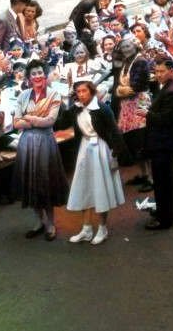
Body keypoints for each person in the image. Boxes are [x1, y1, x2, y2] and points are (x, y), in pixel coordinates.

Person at [13, 59, 69, 241]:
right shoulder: (23, 96)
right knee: (31, 183)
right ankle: (38, 221)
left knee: (46, 182)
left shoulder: (54, 95)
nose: (37, 76)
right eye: (33, 73)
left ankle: (51, 223)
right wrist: (36, 119)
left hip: (45, 142)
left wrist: (27, 117)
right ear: (29, 77)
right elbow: (16, 123)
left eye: (39, 73)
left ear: (44, 75)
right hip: (27, 144)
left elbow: (50, 121)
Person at [65, 80, 127, 245]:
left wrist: (115, 154)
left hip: (100, 148)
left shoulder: (102, 109)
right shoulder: (76, 109)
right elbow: (62, 122)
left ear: (91, 92)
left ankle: (102, 228)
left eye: (84, 91)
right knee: (84, 187)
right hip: (84, 150)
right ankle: (86, 229)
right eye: (78, 92)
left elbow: (114, 131)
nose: (81, 94)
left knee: (101, 188)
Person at [143, 55, 173, 231]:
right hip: (161, 143)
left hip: (164, 144)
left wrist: (147, 114)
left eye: (161, 71)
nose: (158, 74)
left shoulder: (172, 92)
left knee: (163, 182)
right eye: (156, 71)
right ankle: (165, 211)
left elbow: (166, 119)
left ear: (170, 71)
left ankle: (164, 218)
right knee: (162, 181)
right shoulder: (165, 87)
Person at [112, 38, 153, 193]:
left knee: (142, 141)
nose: (127, 48)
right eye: (123, 47)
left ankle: (151, 178)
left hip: (139, 104)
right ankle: (143, 174)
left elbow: (136, 87)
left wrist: (120, 90)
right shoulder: (124, 63)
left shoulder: (140, 62)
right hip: (127, 107)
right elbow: (117, 85)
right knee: (134, 142)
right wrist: (120, 89)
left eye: (129, 45)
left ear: (134, 46)